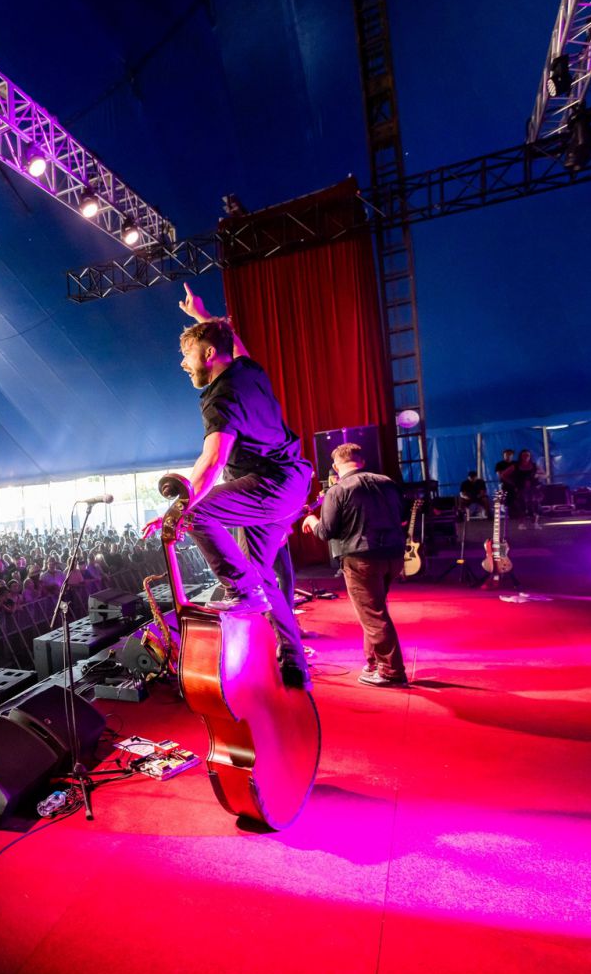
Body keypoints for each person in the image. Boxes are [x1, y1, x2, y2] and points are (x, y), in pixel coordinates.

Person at [143, 284, 312, 687]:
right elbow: (233, 343)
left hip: (268, 485)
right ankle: (294, 661)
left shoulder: (219, 397)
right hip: (289, 484)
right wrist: (204, 315)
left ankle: (241, 590)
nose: (183, 365)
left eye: (186, 356)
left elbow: (212, 461)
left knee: (197, 513)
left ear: (206, 354)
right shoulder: (249, 372)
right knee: (263, 576)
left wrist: (176, 508)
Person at [302, 444, 409, 687]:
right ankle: (374, 662)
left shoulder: (338, 490)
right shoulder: (387, 482)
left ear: (336, 466)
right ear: (360, 460)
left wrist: (311, 519)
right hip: (393, 555)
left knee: (373, 614)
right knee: (375, 609)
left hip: (361, 558)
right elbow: (401, 517)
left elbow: (326, 532)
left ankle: (391, 672)